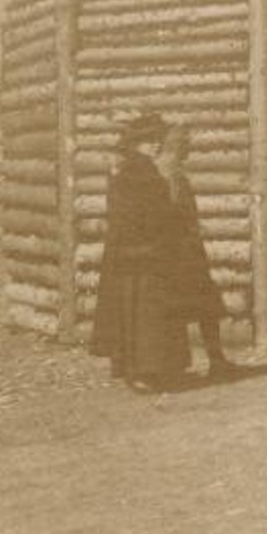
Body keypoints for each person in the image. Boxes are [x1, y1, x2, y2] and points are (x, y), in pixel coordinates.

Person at [90, 113, 192, 391]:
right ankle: (146, 372)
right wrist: (169, 225)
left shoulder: (130, 169)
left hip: (131, 252)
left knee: (132, 311)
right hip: (144, 252)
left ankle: (139, 370)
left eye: (158, 140)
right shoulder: (140, 172)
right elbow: (143, 214)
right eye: (150, 141)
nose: (156, 146)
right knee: (146, 312)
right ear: (136, 144)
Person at [157, 124, 241, 380]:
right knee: (203, 307)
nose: (189, 151)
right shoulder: (171, 173)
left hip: (180, 249)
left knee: (190, 308)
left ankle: (193, 362)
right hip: (182, 251)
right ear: (176, 146)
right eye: (186, 145)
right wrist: (189, 228)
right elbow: (173, 211)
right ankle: (212, 361)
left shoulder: (165, 170)